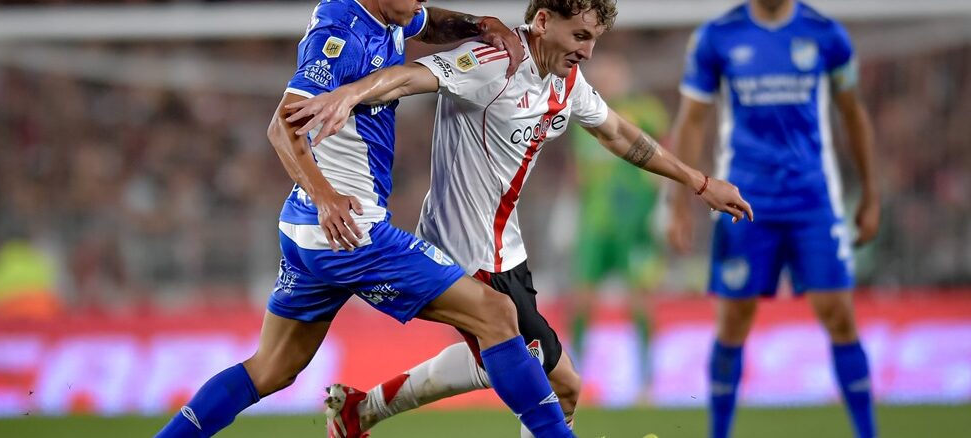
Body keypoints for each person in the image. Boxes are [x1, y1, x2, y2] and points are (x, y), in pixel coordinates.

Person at [284, 1, 752, 436]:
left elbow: (617, 133)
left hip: (507, 250)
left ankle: (360, 410)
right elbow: (408, 77)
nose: (587, 51)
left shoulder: (565, 80)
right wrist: (348, 94)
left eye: (594, 41)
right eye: (580, 36)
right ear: (545, 22)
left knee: (504, 359)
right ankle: (363, 410)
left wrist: (700, 182)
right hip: (469, 252)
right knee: (561, 383)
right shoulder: (491, 62)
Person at [153, 1, 581, 437]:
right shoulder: (340, 35)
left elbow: (428, 21)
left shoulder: (388, 14)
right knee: (495, 312)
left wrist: (477, 25)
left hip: (308, 230)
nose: (417, 2)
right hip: (350, 229)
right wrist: (326, 197)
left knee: (271, 370)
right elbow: (281, 126)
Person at [666, 1, 880, 437]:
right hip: (746, 202)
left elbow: (852, 111)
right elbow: (691, 119)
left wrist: (870, 195)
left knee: (839, 314)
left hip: (811, 200)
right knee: (733, 321)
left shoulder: (825, 33)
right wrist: (679, 203)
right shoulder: (717, 36)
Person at [566, 53, 671, 400]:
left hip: (633, 223)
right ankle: (572, 376)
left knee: (640, 299)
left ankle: (647, 382)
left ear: (624, 77)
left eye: (612, 74)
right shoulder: (583, 116)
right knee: (581, 298)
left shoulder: (646, 111)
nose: (606, 81)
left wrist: (661, 209)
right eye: (601, 76)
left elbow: (665, 158)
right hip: (595, 224)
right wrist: (570, 212)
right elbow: (579, 172)